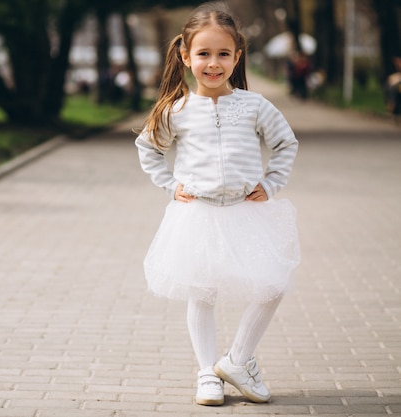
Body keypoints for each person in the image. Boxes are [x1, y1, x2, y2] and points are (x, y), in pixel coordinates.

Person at [134, 1, 300, 407]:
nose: (213, 63)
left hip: (248, 211)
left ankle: (238, 360)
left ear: (237, 56)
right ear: (186, 56)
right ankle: (208, 372)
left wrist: (271, 182)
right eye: (204, 54)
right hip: (198, 214)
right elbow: (148, 148)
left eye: (223, 54)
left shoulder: (254, 105)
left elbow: (285, 143)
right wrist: (170, 185)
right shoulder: (178, 109)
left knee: (272, 285)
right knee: (202, 292)